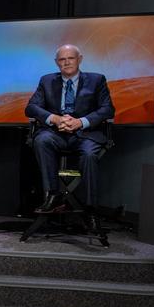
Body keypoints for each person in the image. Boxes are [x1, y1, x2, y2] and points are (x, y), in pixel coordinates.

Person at [25, 43, 114, 218]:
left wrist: (80, 122)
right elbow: (31, 108)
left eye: (71, 58)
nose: (66, 63)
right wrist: (55, 119)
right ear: (56, 62)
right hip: (56, 133)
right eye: (62, 59)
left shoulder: (97, 80)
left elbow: (107, 109)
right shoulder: (47, 80)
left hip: (86, 134)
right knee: (41, 140)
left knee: (89, 155)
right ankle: (53, 195)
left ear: (79, 59)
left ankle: (91, 210)